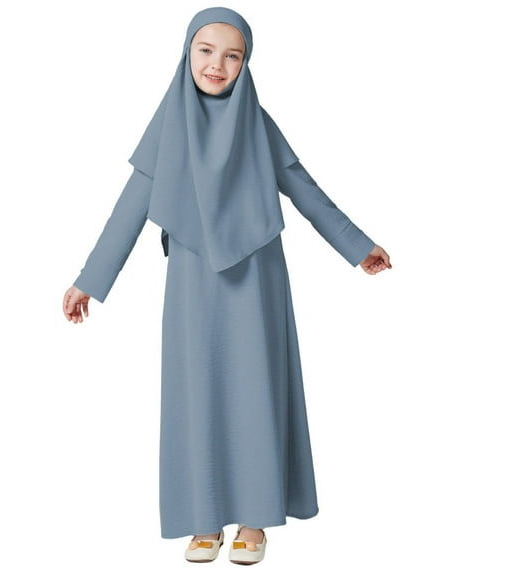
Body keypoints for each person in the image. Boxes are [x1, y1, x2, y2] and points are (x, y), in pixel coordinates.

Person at [62, 6, 391, 566]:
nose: (216, 64)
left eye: (232, 55)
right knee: (196, 394)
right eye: (206, 50)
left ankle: (255, 520)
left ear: (246, 63)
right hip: (192, 283)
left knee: (255, 391)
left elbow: (303, 188)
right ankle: (204, 520)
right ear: (187, 53)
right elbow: (131, 206)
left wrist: (357, 245)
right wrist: (90, 281)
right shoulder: (167, 125)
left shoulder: (257, 124)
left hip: (256, 279)